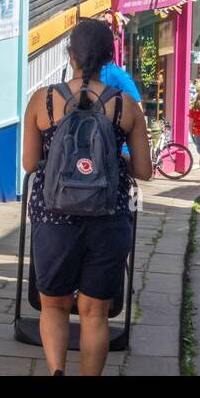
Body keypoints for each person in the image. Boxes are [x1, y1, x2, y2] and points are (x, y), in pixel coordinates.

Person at [21, 19, 152, 375]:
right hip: (108, 218)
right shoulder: (126, 106)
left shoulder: (43, 100)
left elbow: (31, 163)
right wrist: (112, 156)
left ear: (70, 55)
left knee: (54, 305)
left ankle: (57, 371)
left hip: (53, 217)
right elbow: (144, 170)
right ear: (109, 57)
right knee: (95, 312)